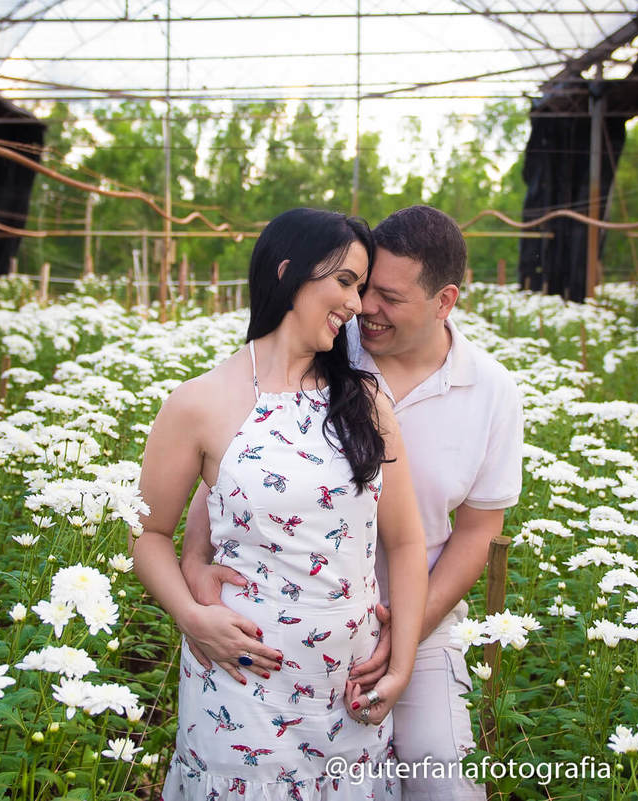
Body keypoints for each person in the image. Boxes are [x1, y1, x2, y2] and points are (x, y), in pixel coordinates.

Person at [181, 205, 524, 800]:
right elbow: (233, 473)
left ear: (445, 301)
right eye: (361, 289)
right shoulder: (330, 351)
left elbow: (475, 534)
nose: (366, 307)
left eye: (387, 296)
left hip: (425, 617)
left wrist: (407, 636)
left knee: (440, 775)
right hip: (295, 617)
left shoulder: (492, 392)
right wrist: (192, 564)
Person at [132, 208, 428, 800]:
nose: (357, 303)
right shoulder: (198, 403)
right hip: (239, 691)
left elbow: (405, 541)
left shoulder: (365, 400)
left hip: (348, 692)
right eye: (345, 281)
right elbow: (148, 535)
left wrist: (401, 665)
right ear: (288, 270)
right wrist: (192, 617)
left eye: (363, 286)